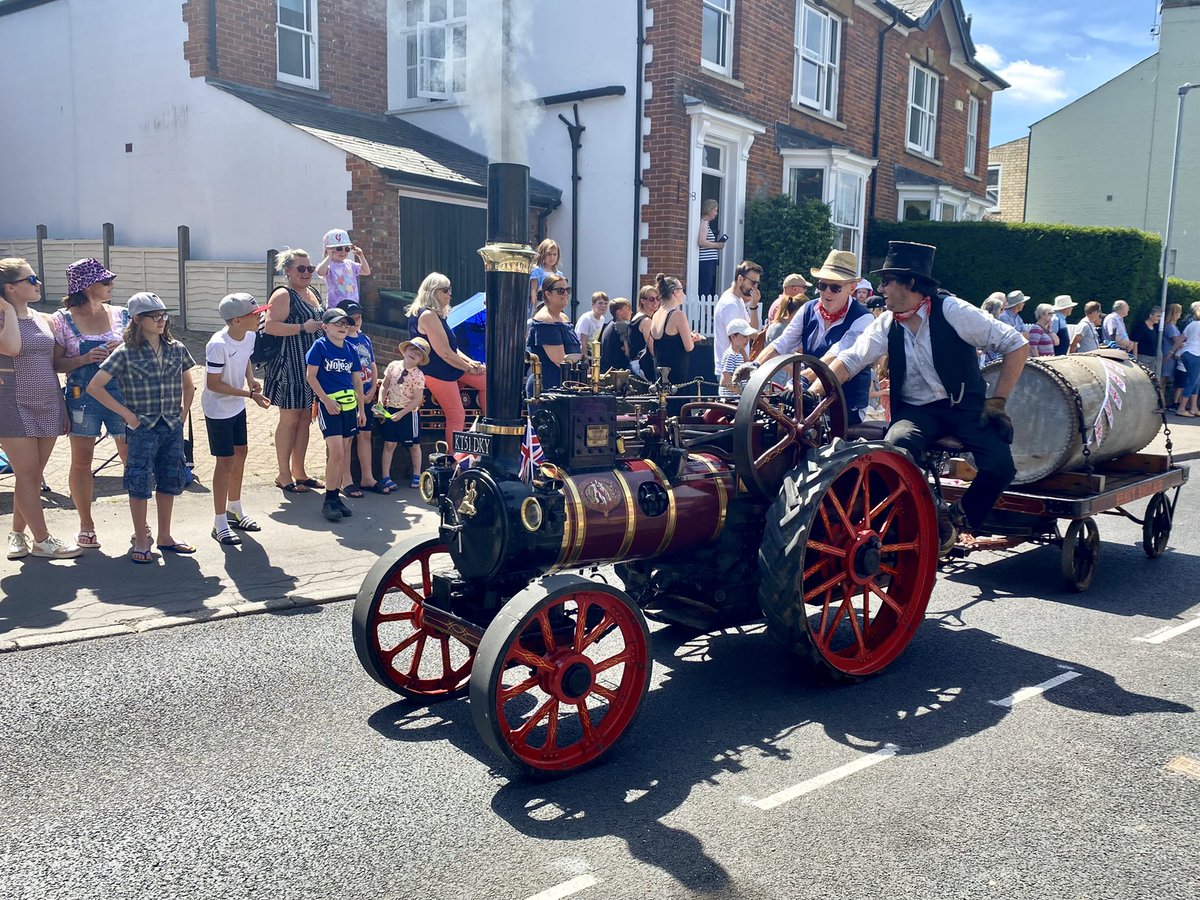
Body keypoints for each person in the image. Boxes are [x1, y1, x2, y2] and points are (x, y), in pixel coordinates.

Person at [811, 242, 1029, 552]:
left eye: (887, 281)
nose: (880, 289)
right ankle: (922, 514)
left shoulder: (953, 311)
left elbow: (1017, 344)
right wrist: (811, 394)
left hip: (965, 407)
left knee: (1000, 467)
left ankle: (959, 518)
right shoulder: (887, 323)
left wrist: (998, 401)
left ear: (911, 283)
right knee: (895, 447)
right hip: (917, 412)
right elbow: (850, 361)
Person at [89, 292, 197, 564]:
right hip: (142, 428)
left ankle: (165, 536)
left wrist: (183, 414)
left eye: (164, 315)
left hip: (171, 426)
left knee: (170, 479)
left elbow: (188, 385)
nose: (161, 321)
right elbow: (95, 386)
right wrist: (128, 415)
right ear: (137, 319)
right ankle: (140, 538)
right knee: (139, 482)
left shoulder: (176, 348)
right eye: (154, 316)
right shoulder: (126, 352)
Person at [0, 258, 79, 560]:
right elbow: (12, 348)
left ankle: (17, 533)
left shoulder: (42, 318)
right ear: (10, 288)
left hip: (47, 403)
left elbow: (49, 364)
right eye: (31, 279)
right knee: (28, 474)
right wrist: (8, 310)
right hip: (12, 403)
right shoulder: (2, 317)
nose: (39, 283)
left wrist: (62, 406)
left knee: (31, 476)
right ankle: (43, 540)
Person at [50, 258, 128, 550]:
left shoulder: (121, 314)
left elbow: (142, 350)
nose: (111, 285)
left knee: (131, 457)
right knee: (82, 461)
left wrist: (124, 348)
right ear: (85, 286)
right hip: (81, 397)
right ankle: (86, 524)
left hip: (122, 394)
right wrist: (84, 359)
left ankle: (140, 522)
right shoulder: (61, 319)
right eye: (105, 281)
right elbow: (56, 364)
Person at [751, 250, 873, 424]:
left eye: (835, 287)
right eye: (822, 286)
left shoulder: (863, 318)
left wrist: (803, 381)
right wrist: (755, 366)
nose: (827, 293)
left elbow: (836, 355)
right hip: (807, 400)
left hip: (844, 407)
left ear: (851, 288)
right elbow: (783, 342)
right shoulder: (808, 309)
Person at [202, 293, 271, 546]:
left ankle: (234, 509)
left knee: (241, 452)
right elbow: (213, 384)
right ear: (236, 321)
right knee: (225, 461)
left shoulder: (250, 336)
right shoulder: (217, 345)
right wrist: (249, 394)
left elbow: (245, 360)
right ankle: (219, 522)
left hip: (236, 406)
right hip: (218, 410)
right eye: (254, 315)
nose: (260, 317)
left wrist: (251, 380)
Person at [263, 249, 324, 494]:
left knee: (305, 419)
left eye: (310, 268)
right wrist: (302, 327)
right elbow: (270, 327)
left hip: (310, 367)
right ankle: (283, 474)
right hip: (289, 365)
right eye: (301, 268)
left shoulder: (313, 293)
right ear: (288, 271)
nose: (306, 273)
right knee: (289, 420)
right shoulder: (282, 294)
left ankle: (300, 472)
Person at [408, 272, 487, 443]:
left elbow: (452, 348)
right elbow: (444, 352)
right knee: (456, 415)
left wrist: (471, 362)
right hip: (437, 371)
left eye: (450, 289)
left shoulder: (437, 315)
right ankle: (453, 456)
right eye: (445, 290)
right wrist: (468, 368)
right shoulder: (428, 315)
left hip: (449, 367)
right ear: (433, 292)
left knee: (487, 382)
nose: (450, 293)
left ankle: (488, 427)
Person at [306, 307, 366, 522]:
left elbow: (357, 380)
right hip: (329, 405)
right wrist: (325, 400)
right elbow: (311, 377)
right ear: (325, 327)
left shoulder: (350, 349)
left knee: (344, 451)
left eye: (345, 323)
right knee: (337, 452)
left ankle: (335, 496)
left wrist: (361, 409)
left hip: (349, 406)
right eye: (337, 323)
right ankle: (329, 500)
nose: (343, 327)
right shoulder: (320, 346)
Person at [377, 337, 429, 490]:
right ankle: (385, 476)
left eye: (418, 354)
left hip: (409, 413)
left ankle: (417, 474)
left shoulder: (418, 375)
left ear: (420, 360)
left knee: (414, 445)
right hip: (391, 408)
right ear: (405, 350)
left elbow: (417, 399)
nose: (413, 354)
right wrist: (380, 401)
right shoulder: (393, 366)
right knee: (389, 443)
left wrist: (402, 413)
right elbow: (384, 385)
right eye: (412, 349)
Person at [343, 302, 383, 495]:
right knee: (347, 438)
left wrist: (373, 388)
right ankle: (346, 479)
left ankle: (367, 477)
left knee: (365, 435)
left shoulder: (364, 339)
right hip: (350, 396)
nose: (357, 321)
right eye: (352, 318)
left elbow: (372, 365)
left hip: (366, 394)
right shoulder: (342, 342)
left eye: (359, 317)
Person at [527, 274, 582, 393]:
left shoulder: (564, 317)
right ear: (548, 294)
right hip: (547, 386)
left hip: (566, 383)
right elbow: (560, 360)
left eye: (568, 290)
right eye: (561, 290)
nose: (566, 294)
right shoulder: (545, 320)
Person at [650, 273, 703, 389]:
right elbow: (689, 347)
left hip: (659, 370)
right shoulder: (678, 315)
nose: (684, 294)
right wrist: (695, 338)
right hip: (676, 372)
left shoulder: (656, 314)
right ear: (675, 292)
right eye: (682, 290)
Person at [712, 261, 763, 375]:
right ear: (740, 279)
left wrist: (754, 306)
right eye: (753, 283)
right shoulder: (730, 304)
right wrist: (748, 366)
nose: (755, 287)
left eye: (757, 283)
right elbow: (737, 340)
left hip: (736, 369)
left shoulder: (737, 300)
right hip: (730, 370)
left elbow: (752, 331)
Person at [315, 228, 371, 310]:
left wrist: (361, 255)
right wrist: (329, 256)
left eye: (347, 249)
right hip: (336, 307)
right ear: (328, 249)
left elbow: (366, 271)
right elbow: (320, 272)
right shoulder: (329, 265)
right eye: (339, 248)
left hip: (353, 306)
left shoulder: (350, 264)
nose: (343, 252)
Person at [765, 273, 810, 344]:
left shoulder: (779, 303)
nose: (805, 291)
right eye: (804, 287)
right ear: (795, 288)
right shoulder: (780, 305)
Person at [718, 318, 756, 398]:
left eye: (748, 336)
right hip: (731, 400)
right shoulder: (731, 355)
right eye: (744, 336)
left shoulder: (738, 354)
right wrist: (743, 392)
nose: (748, 339)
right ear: (733, 337)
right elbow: (725, 382)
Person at [1174, 301, 1200, 417]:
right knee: (1192, 381)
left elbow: (1181, 339)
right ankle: (1181, 408)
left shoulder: (1191, 324)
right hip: (1196, 354)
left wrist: (1171, 352)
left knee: (1195, 381)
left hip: (1186, 353)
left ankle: (1194, 408)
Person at [696, 199, 727, 297]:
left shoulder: (705, 223)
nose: (716, 213)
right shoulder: (704, 223)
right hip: (706, 260)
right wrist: (717, 245)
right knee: (706, 285)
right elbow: (702, 242)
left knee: (708, 284)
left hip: (708, 260)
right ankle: (704, 305)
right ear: (709, 210)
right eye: (715, 210)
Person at [629, 285, 659, 381]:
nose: (655, 302)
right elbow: (652, 348)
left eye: (658, 298)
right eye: (651, 299)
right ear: (642, 300)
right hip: (642, 365)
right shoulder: (646, 321)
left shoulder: (637, 316)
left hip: (635, 363)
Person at [598, 297, 634, 372]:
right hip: (618, 370)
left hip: (606, 368)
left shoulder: (609, 324)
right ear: (619, 311)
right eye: (628, 309)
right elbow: (627, 351)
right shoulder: (621, 326)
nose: (631, 312)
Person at [529, 239, 563, 311]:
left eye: (554, 254)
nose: (552, 257)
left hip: (555, 306)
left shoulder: (559, 274)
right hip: (540, 306)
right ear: (543, 254)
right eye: (549, 254)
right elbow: (533, 291)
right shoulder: (536, 272)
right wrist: (535, 308)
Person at [1163, 303, 1186, 406]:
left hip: (1171, 355)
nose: (1180, 314)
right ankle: (1161, 400)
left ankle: (1162, 400)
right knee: (1163, 378)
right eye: (1179, 312)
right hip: (1168, 354)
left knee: (1166, 378)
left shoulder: (1173, 326)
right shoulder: (1170, 327)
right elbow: (1177, 342)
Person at [575, 291, 610, 355]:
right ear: (593, 304)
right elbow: (583, 342)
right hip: (580, 352)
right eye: (600, 303)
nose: (603, 306)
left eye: (606, 303)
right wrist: (585, 359)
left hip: (593, 351)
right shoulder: (586, 319)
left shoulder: (602, 319)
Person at [1130, 307, 1163, 376]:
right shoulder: (1141, 327)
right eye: (1158, 316)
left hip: (1152, 358)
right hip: (1142, 357)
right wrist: (1135, 358)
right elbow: (1135, 343)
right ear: (1151, 315)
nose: (1159, 318)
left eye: (1160, 316)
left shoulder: (1155, 327)